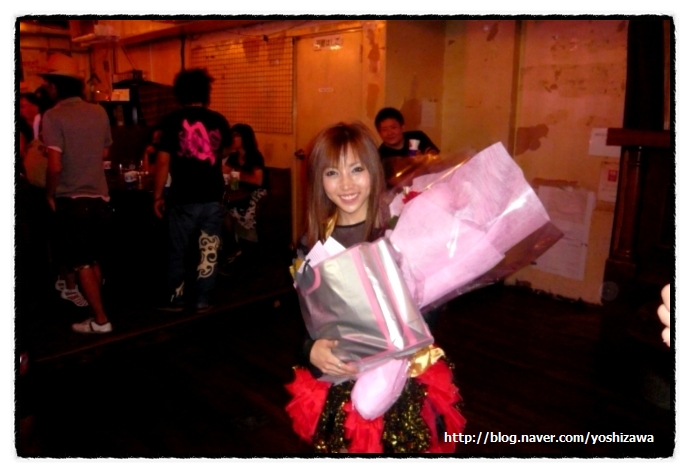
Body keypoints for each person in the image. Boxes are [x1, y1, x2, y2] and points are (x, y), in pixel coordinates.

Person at [285, 122, 465, 454]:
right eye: (332, 173)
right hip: (340, 376)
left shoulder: (400, 230)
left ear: (373, 170)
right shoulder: (312, 243)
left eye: (357, 169)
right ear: (318, 180)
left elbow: (431, 310)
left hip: (404, 377)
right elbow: (305, 317)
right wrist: (309, 349)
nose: (346, 184)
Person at [41, 52, 113, 333]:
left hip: (72, 200)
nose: (46, 88)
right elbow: (105, 152)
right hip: (101, 199)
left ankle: (101, 320)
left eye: (47, 83)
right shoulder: (99, 111)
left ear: (55, 86)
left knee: (81, 262)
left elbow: (55, 166)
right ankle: (98, 312)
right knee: (93, 259)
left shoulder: (52, 116)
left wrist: (49, 194)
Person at [152, 68, 232, 313]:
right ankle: (203, 300)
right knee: (209, 249)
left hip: (183, 198)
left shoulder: (171, 121)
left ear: (180, 92)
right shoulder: (218, 120)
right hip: (213, 196)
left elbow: (162, 162)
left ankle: (175, 299)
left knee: (178, 250)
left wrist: (157, 196)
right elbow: (226, 149)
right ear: (205, 92)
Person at [220, 123, 267, 268]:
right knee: (220, 210)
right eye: (232, 135)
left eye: (236, 135)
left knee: (224, 209)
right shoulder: (234, 156)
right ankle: (232, 246)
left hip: (254, 194)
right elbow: (223, 170)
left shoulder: (254, 156)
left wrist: (238, 174)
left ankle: (236, 248)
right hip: (237, 192)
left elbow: (258, 181)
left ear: (244, 138)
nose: (232, 138)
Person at [374, 107, 440, 188]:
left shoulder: (417, 137)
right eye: (384, 130)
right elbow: (400, 184)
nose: (389, 133)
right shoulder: (381, 156)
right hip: (403, 193)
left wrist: (428, 158)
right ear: (379, 133)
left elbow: (438, 164)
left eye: (393, 127)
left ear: (402, 127)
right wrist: (421, 164)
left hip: (431, 185)